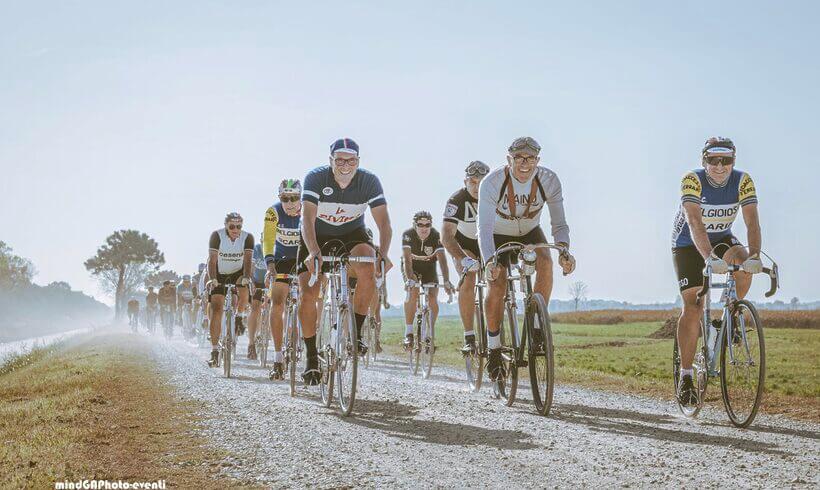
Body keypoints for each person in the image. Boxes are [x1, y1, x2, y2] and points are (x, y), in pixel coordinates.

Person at [477, 136, 576, 381]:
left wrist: (564, 250)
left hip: (530, 232)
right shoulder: (492, 183)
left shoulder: (549, 180)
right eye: (519, 158)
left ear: (537, 160)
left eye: (530, 158)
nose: (524, 164)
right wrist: (490, 261)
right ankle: (494, 347)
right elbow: (484, 228)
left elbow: (559, 224)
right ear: (508, 159)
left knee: (546, 262)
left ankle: (536, 326)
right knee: (497, 283)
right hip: (498, 234)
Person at [672, 136, 762, 406]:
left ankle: (727, 315)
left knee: (744, 267)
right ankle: (686, 374)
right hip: (688, 243)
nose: (720, 166)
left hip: (723, 236)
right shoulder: (693, 179)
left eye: (726, 160)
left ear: (734, 161)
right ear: (704, 160)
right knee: (694, 305)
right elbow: (694, 222)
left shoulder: (743, 180)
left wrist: (755, 255)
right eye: (713, 160)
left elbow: (752, 222)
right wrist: (710, 259)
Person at [297, 138, 393, 385]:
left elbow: (383, 223)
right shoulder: (316, 178)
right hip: (316, 235)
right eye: (339, 159)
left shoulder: (369, 181)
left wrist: (383, 253)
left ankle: (356, 332)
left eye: (351, 160)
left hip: (352, 234)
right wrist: (313, 251)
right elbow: (307, 219)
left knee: (368, 266)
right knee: (309, 291)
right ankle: (310, 357)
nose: (345, 165)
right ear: (331, 161)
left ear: (358, 162)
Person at [441, 160, 490, 354]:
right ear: (465, 181)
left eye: (482, 182)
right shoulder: (456, 200)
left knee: (498, 279)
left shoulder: (497, 195)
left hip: (489, 243)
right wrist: (462, 258)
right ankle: (469, 336)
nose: (477, 187)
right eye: (473, 182)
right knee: (468, 280)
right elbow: (446, 236)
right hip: (465, 245)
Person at [263, 179, 302, 380]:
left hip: (304, 258)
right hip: (282, 260)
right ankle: (278, 358)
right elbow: (268, 241)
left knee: (315, 296)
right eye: (285, 198)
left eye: (294, 198)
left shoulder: (310, 210)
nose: (290, 202)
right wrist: (270, 265)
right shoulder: (273, 212)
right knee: (277, 302)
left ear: (301, 197)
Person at [206, 212, 254, 367]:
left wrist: (246, 277)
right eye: (232, 226)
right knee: (217, 307)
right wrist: (213, 279)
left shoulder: (247, 237)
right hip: (219, 272)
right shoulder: (216, 236)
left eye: (238, 226)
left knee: (244, 288)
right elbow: (212, 260)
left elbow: (248, 260)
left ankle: (239, 316)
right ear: (226, 225)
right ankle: (214, 350)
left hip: (237, 272)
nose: (235, 229)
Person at [401, 211, 454, 348]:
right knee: (413, 291)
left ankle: (429, 332)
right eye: (420, 225)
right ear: (415, 225)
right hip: (411, 267)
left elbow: (442, 261)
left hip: (429, 267)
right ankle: (409, 333)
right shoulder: (408, 235)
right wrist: (410, 279)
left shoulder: (436, 236)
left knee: (432, 298)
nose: (424, 228)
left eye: (427, 225)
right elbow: (407, 261)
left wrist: (446, 281)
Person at [247, 240, 268, 360]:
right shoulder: (257, 248)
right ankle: (251, 342)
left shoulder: (277, 248)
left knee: (272, 306)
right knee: (255, 308)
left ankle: (265, 332)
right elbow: (251, 266)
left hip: (271, 281)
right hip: (258, 281)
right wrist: (251, 282)